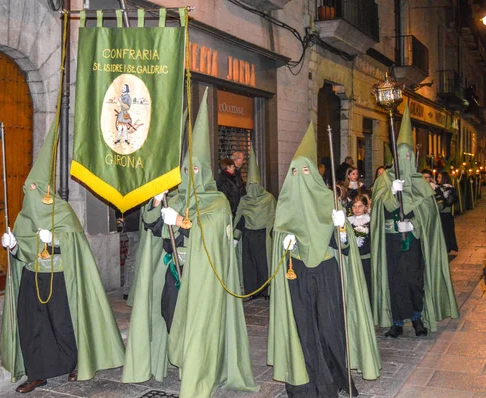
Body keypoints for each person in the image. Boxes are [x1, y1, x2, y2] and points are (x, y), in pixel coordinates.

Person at [122, 89, 258, 398]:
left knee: (199, 323)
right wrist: (157, 205)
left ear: (207, 172)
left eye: (196, 170)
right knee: (171, 314)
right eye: (186, 170)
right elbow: (152, 227)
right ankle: (182, 358)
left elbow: (212, 231)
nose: (190, 175)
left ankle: (198, 366)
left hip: (203, 277)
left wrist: (183, 222)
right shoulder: (177, 196)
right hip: (175, 270)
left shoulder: (217, 202)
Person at [0, 126, 125, 393]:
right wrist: (13, 247)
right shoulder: (24, 217)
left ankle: (74, 363)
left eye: (35, 189)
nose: (30, 196)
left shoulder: (63, 211)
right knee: (33, 327)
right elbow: (24, 251)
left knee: (63, 324)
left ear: (46, 190)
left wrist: (55, 239)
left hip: (60, 278)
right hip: (33, 278)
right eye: (27, 190)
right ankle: (37, 373)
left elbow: (76, 244)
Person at [268, 123, 380, 398]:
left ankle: (338, 377)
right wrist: (285, 244)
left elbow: (344, 247)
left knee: (331, 327)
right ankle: (306, 383)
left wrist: (341, 228)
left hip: (328, 272)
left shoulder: (329, 201)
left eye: (306, 170)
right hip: (298, 273)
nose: (300, 176)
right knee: (304, 329)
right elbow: (279, 235)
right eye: (295, 171)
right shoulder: (285, 202)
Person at [371, 105, 458, 339]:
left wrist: (413, 225)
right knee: (394, 280)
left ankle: (417, 318)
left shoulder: (420, 182)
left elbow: (429, 215)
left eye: (408, 155)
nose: (404, 159)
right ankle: (397, 321)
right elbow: (379, 207)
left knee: (414, 278)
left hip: (412, 239)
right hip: (390, 240)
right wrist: (392, 191)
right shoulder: (384, 180)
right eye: (400, 155)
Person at [233, 147, 276, 298]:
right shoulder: (244, 200)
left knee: (264, 264)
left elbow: (273, 218)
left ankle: (266, 290)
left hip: (263, 236)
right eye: (249, 185)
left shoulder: (268, 199)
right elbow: (240, 218)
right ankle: (252, 291)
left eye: (254, 185)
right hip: (248, 235)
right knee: (249, 265)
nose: (252, 188)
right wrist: (236, 236)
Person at [348, 194, 372, 302]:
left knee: (367, 284)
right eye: (354, 206)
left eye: (360, 206)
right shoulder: (348, 222)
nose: (356, 209)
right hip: (353, 259)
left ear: (366, 207)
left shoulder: (371, 221)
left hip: (367, 259)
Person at [116, 206, 142, 300]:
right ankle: (128, 289)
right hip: (134, 224)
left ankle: (129, 289)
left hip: (132, 223)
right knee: (132, 259)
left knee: (132, 258)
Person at [435, 172, 459, 252]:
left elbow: (450, 201)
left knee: (446, 232)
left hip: (446, 214)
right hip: (440, 214)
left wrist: (442, 200)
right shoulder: (437, 188)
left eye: (439, 177)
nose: (437, 179)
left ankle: (447, 247)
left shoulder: (450, 189)